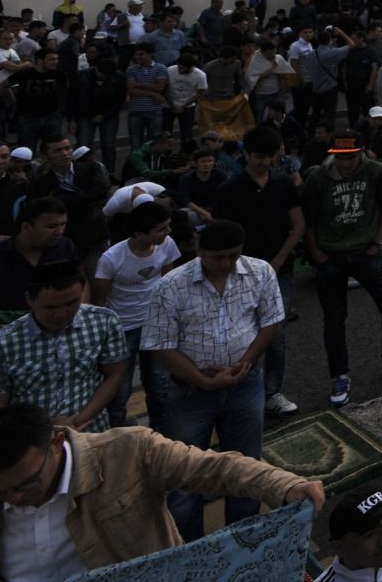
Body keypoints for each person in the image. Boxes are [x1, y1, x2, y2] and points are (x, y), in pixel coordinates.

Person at [0, 401, 324, 579]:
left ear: (57, 443)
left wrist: (285, 485)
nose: (14, 500)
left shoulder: (130, 451)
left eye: (26, 484)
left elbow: (216, 468)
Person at [141, 217, 287, 540]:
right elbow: (160, 346)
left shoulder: (260, 272)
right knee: (186, 476)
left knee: (247, 470)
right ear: (199, 252)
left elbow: (271, 322)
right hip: (190, 392)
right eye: (217, 257)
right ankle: (190, 549)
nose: (225, 264)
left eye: (233, 256)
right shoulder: (171, 286)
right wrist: (203, 380)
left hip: (245, 385)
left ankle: (243, 542)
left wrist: (245, 362)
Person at [303, 132, 382, 404]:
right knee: (334, 320)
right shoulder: (318, 178)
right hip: (331, 255)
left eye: (351, 157)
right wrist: (317, 255)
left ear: (361, 153)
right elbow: (308, 219)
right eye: (340, 158)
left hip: (367, 251)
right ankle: (339, 376)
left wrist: (378, 240)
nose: (346, 163)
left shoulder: (378, 172)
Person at [212, 126, 308, 416]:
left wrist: (278, 260)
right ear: (245, 155)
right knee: (239, 334)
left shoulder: (284, 185)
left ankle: (272, 391)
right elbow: (219, 233)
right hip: (240, 272)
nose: (264, 162)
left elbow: (299, 225)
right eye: (258, 156)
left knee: (275, 333)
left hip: (280, 271)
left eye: (270, 156)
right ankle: (238, 389)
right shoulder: (229, 189)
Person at [0, 259, 130, 433]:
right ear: (29, 300)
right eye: (50, 307)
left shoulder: (104, 321)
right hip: (30, 444)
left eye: (71, 303)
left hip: (91, 434)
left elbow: (115, 373)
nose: (61, 314)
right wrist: (44, 429)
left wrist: (78, 421)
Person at [93, 199, 182, 428]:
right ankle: (118, 436)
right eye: (160, 229)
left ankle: (161, 434)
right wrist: (104, 336)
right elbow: (101, 299)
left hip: (154, 324)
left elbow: (167, 282)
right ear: (139, 233)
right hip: (122, 328)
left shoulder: (167, 245)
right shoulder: (111, 259)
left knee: (159, 385)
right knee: (119, 390)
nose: (167, 232)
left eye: (167, 226)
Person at [0, 195, 79, 311]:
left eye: (63, 225)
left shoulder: (65, 247)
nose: (59, 232)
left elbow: (80, 281)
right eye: (51, 226)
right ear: (26, 227)